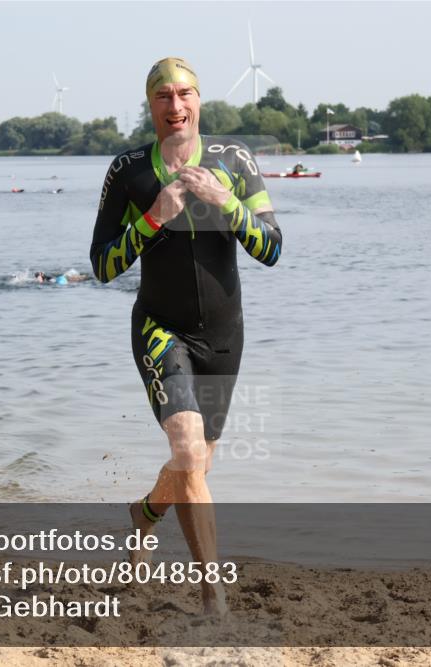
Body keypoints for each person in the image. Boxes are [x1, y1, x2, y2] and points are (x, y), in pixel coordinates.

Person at [89, 57, 282, 615]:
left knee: (198, 464)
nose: (176, 107)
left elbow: (272, 249)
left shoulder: (235, 162)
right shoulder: (127, 171)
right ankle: (213, 596)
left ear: (200, 100)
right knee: (187, 450)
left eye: (185, 94)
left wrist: (228, 203)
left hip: (225, 336)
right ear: (149, 106)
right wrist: (152, 217)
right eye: (163, 97)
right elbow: (102, 266)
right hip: (159, 328)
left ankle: (144, 513)